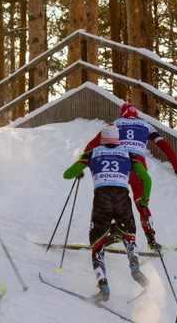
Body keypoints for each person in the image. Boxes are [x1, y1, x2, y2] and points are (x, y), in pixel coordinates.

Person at [83, 102, 177, 251]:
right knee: (142, 204)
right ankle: (152, 241)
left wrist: (85, 160)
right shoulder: (146, 125)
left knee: (114, 198)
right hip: (138, 167)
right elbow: (165, 146)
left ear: (122, 114)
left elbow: (91, 145)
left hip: (120, 166)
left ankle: (113, 230)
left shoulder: (115, 124)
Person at [64, 124, 153, 302]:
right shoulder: (128, 153)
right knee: (129, 237)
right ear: (118, 139)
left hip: (102, 200)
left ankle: (103, 288)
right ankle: (136, 270)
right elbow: (146, 178)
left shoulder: (93, 152)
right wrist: (144, 201)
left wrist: (79, 171)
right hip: (123, 199)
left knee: (97, 245)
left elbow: (68, 174)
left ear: (102, 139)